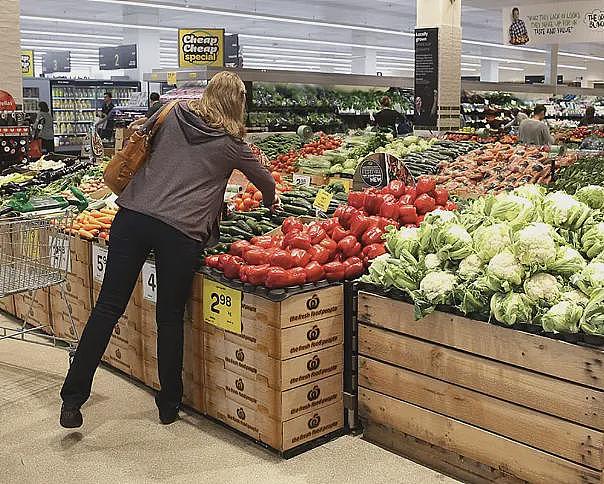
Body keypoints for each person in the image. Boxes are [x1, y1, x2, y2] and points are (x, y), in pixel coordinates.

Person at [59, 71, 277, 429]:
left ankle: (72, 400)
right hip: (181, 233)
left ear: (207, 94)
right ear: (238, 104)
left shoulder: (172, 112)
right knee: (170, 316)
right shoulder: (232, 144)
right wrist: (270, 201)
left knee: (107, 307)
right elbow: (265, 183)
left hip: (133, 217)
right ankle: (168, 404)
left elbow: (140, 132)